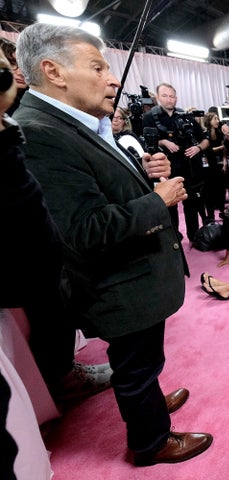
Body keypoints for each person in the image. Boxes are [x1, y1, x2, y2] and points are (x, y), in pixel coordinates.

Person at [14, 23, 212, 466]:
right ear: (54, 71)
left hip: (133, 276)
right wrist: (156, 200)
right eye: (98, 67)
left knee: (143, 360)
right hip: (117, 283)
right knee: (135, 366)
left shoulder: (70, 122)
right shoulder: (39, 133)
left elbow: (95, 182)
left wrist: (139, 168)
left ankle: (150, 404)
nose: (112, 78)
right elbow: (83, 228)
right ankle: (150, 441)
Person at [0, 46, 112, 403]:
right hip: (23, 261)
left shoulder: (17, 122)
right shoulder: (30, 123)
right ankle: (58, 380)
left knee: (56, 310)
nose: (14, 75)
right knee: (48, 314)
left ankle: (60, 372)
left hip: (43, 248)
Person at [142, 82, 210, 241]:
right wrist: (163, 142)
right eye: (165, 96)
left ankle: (194, 235)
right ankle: (173, 237)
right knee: (169, 205)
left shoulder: (185, 116)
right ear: (158, 97)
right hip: (165, 169)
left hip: (189, 167)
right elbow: (145, 141)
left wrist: (198, 148)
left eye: (172, 96)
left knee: (191, 203)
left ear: (176, 98)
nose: (169, 100)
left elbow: (204, 139)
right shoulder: (150, 117)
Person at [200, 110, 227, 223]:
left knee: (221, 190)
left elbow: (225, 148)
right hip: (207, 167)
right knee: (209, 192)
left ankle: (222, 211)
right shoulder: (204, 134)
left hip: (220, 164)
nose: (218, 121)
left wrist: (225, 162)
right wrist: (220, 148)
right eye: (215, 118)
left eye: (218, 118)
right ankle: (210, 215)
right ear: (209, 120)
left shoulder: (220, 132)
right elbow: (207, 150)